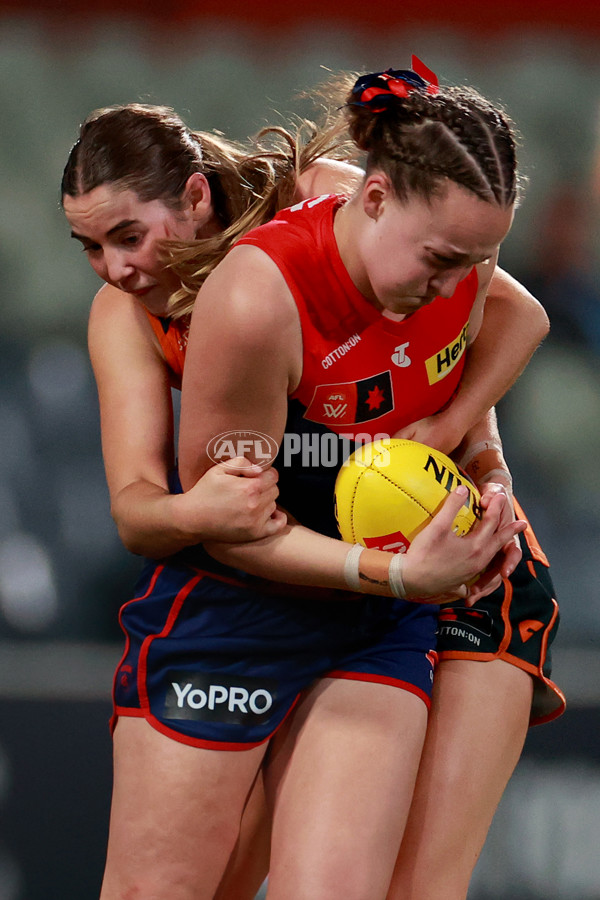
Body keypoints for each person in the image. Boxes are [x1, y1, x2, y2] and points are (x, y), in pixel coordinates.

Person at [60, 72, 561, 899]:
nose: (113, 269)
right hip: (292, 574)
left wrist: (472, 444)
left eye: (127, 236)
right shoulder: (218, 299)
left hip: (432, 572)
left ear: (193, 196)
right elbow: (151, 513)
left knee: (410, 890)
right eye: (90, 246)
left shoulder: (357, 215)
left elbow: (484, 320)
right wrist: (199, 509)